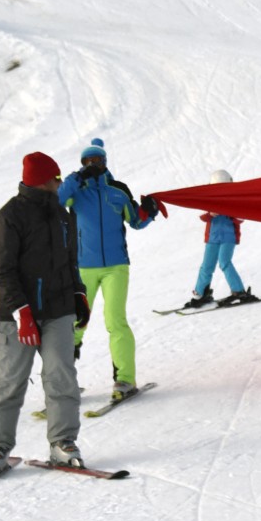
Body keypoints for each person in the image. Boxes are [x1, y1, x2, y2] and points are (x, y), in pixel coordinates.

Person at [0, 152, 92, 475]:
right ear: (45, 180)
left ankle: (63, 442)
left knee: (61, 376)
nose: (60, 183)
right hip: (17, 316)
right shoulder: (8, 218)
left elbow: (70, 262)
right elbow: (3, 273)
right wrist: (23, 312)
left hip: (57, 310)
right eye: (56, 178)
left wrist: (79, 294)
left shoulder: (61, 215)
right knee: (10, 380)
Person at [57, 138, 159, 402]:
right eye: (87, 162)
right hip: (83, 269)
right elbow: (57, 200)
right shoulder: (75, 191)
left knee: (116, 322)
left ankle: (124, 379)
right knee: (76, 322)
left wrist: (149, 211)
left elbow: (136, 221)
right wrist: (77, 177)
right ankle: (63, 383)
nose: (92, 165)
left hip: (116, 267)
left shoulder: (118, 190)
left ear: (105, 162)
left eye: (96, 161)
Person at [181, 169, 258, 309]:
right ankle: (200, 294)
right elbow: (202, 214)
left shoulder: (234, 199)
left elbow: (242, 217)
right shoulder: (209, 199)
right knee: (207, 265)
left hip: (228, 237)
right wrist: (210, 213)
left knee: (224, 262)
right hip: (212, 238)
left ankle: (239, 291)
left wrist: (230, 210)